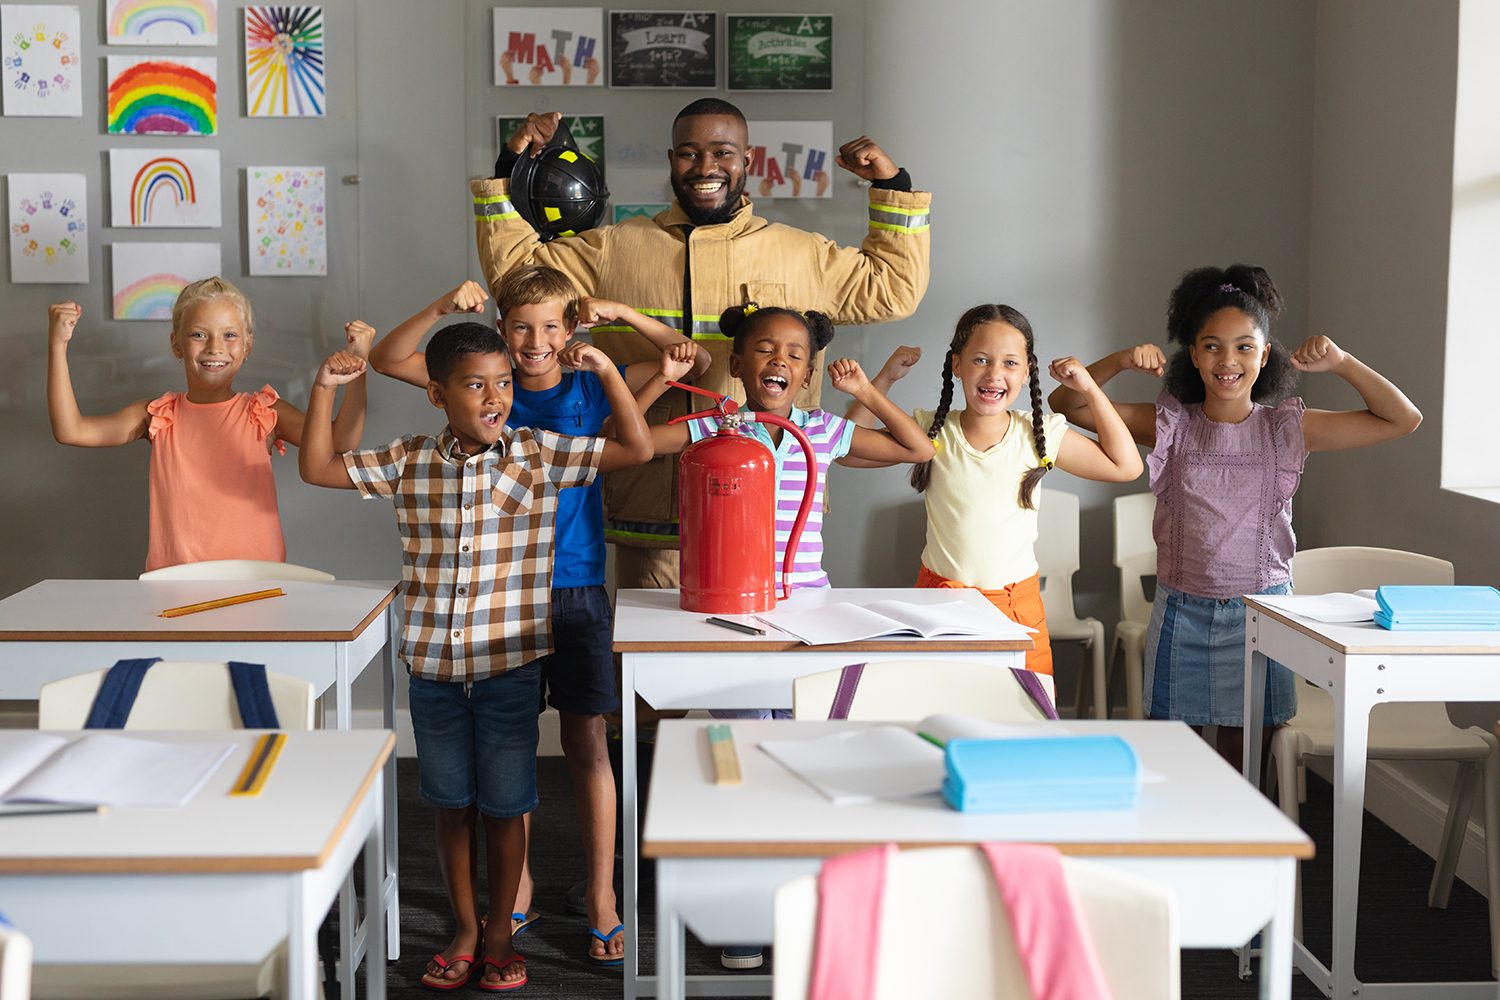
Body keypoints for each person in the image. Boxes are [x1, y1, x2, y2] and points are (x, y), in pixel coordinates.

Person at [367, 267, 707, 966]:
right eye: (520, 325)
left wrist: (615, 320)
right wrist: (439, 302)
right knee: (507, 746)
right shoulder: (484, 381)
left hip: (574, 585)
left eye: (553, 325)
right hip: (492, 593)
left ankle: (602, 896)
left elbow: (689, 356)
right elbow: (388, 360)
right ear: (499, 328)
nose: (535, 341)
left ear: (573, 329)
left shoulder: (588, 382)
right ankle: (513, 892)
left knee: (586, 741)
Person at [298, 321, 652, 991]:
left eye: (503, 383)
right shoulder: (409, 459)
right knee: (450, 804)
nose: (495, 396)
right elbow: (316, 467)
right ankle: (465, 928)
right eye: (474, 384)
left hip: (510, 666)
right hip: (433, 670)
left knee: (507, 802)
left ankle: (498, 932)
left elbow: (634, 448)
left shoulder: (538, 452)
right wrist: (323, 389)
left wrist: (608, 372)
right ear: (437, 395)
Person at [472, 97, 932, 590]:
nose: (705, 167)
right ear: (671, 161)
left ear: (747, 160)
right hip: (650, 508)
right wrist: (509, 166)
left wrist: (891, 187)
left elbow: (892, 288)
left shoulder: (802, 254)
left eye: (722, 153)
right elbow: (518, 280)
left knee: (769, 658)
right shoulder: (615, 249)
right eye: (689, 154)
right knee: (655, 661)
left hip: (770, 516)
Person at [643, 302, 932, 970]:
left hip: (808, 617)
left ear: (809, 373)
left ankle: (805, 900)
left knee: (811, 758)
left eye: (796, 354)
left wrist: (865, 393)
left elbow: (918, 450)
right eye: (765, 349)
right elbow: (630, 443)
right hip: (734, 616)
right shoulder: (711, 425)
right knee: (743, 756)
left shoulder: (823, 430)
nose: (780, 361)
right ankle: (744, 912)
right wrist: (661, 380)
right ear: (737, 362)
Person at [1047, 265, 1421, 765]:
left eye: (1245, 346)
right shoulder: (1169, 424)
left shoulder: (1290, 428)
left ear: (1266, 356)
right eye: (1213, 346)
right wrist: (1119, 360)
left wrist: (1343, 363)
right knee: (1172, 760)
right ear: (1195, 357)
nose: (1229, 360)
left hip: (1263, 615)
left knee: (1243, 764)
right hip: (1182, 612)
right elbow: (1067, 404)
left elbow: (1403, 419)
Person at [848, 305, 1143, 676]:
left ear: (1027, 372)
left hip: (1016, 607)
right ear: (957, 365)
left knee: (1023, 719)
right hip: (940, 606)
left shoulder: (1041, 434)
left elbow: (1127, 467)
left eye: (1009, 363)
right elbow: (849, 450)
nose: (994, 374)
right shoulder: (930, 430)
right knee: (942, 711)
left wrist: (1088, 388)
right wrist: (883, 381)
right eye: (981, 360)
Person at [45, 278, 369, 572]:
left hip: (256, 584)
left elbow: (340, 442)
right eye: (199, 334)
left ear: (247, 346)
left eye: (229, 335)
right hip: (173, 583)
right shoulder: (156, 415)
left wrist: (358, 368)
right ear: (176, 345)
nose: (215, 347)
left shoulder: (265, 412)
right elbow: (71, 430)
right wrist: (58, 344)